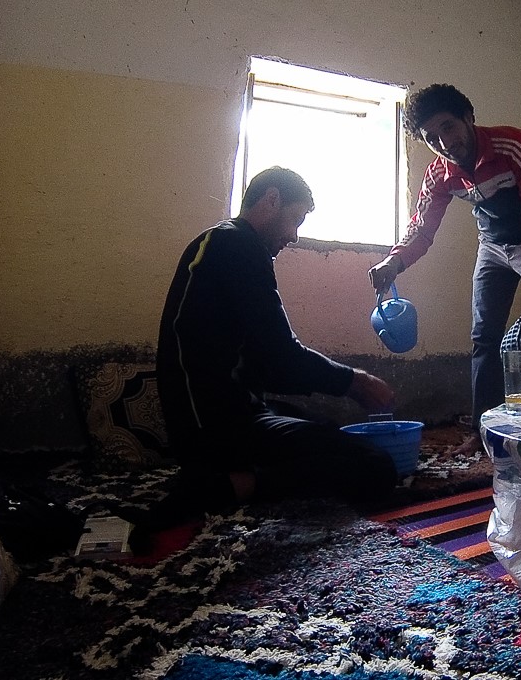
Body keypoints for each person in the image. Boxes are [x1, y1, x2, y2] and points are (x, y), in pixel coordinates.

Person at [156, 166, 399, 517]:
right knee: (375, 466)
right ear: (272, 199)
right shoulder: (235, 243)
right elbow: (281, 356)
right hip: (214, 431)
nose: (295, 236)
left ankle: (239, 475)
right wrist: (354, 382)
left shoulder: (225, 244)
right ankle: (234, 485)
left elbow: (271, 367)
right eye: (296, 219)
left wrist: (337, 382)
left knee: (320, 428)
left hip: (226, 416)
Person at [368, 84, 521, 455]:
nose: (444, 142)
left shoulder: (514, 146)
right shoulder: (439, 174)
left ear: (469, 118)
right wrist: (393, 262)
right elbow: (421, 229)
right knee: (483, 338)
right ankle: (482, 432)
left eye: (448, 127)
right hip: (492, 248)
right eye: (431, 137)